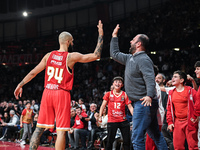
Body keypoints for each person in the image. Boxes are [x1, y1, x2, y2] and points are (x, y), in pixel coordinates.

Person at [14, 20, 103, 150]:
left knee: (39, 128)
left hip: (47, 92)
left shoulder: (48, 55)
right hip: (61, 93)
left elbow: (33, 73)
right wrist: (101, 34)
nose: (72, 43)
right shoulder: (71, 56)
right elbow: (96, 55)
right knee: (61, 131)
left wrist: (20, 84)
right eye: (72, 41)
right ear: (68, 42)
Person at [110, 24, 168, 150]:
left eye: (133, 40)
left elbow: (149, 78)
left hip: (143, 102)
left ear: (138, 44)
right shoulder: (130, 58)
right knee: (156, 135)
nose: (130, 41)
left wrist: (149, 95)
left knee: (136, 138)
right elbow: (114, 54)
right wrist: (114, 36)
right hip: (143, 102)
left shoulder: (143, 59)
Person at [99, 76, 133, 150]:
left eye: (120, 82)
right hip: (112, 121)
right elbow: (102, 106)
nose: (118, 83)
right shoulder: (108, 94)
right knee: (110, 141)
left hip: (123, 121)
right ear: (113, 84)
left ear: (122, 85)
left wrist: (135, 117)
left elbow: (130, 107)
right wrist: (99, 117)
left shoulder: (125, 94)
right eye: (116, 82)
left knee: (127, 141)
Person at [167, 70, 198, 150]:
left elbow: (198, 103)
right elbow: (169, 109)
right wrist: (170, 122)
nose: (172, 78)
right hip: (177, 122)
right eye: (173, 76)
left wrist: (196, 116)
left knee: (193, 146)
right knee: (177, 147)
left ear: (182, 80)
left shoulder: (190, 91)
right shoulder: (171, 93)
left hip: (189, 122)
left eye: (175, 77)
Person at [155, 73, 174, 150]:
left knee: (167, 138)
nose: (156, 79)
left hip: (164, 119)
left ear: (163, 80)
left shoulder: (167, 90)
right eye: (156, 78)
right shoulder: (152, 90)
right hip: (154, 118)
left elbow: (169, 104)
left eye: (159, 78)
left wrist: (165, 113)